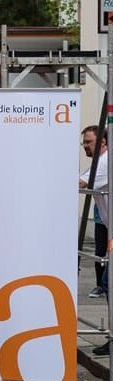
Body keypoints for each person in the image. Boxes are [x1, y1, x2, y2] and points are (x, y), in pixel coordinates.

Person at [80, 125, 109, 300]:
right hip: (108, 227)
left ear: (102, 141)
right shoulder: (100, 161)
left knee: (108, 283)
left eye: (88, 142)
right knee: (107, 282)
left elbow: (80, 183)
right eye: (83, 142)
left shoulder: (105, 162)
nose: (85, 146)